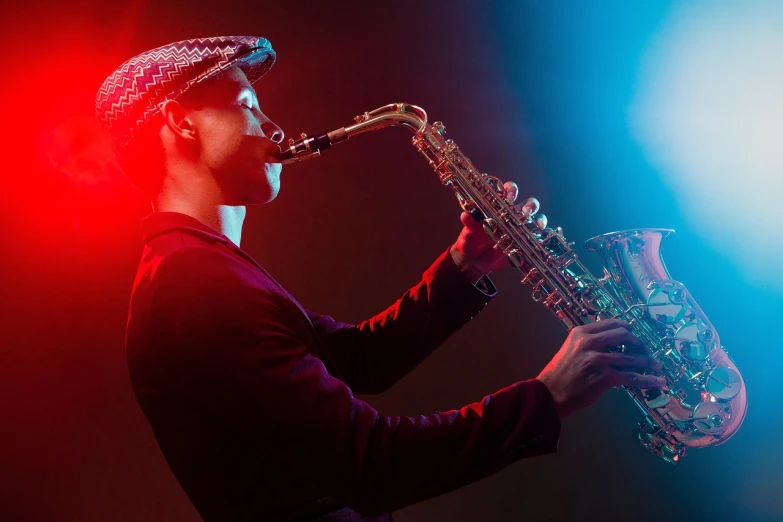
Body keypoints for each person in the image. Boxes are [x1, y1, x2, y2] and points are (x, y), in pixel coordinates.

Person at [96, 36, 664, 522]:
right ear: (180, 122)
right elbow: (370, 463)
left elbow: (358, 360)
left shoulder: (200, 270)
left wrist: (465, 265)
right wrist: (545, 398)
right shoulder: (192, 284)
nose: (273, 126)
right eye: (247, 104)